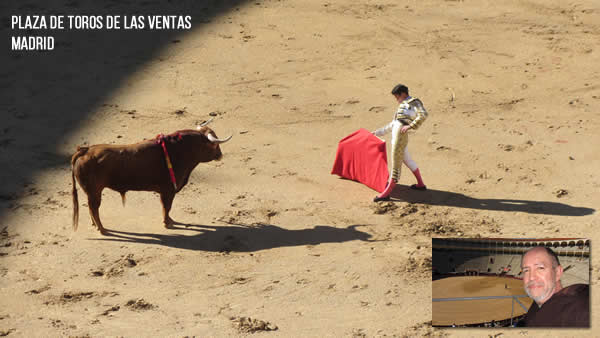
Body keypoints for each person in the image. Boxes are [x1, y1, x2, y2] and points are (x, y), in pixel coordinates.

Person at [372, 84, 428, 202]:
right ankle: (421, 185)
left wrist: (411, 126)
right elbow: (392, 125)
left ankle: (386, 194)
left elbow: (423, 114)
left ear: (403, 94)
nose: (397, 100)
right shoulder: (402, 107)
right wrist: (376, 133)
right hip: (397, 136)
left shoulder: (414, 102)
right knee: (407, 160)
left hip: (399, 138)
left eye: (397, 97)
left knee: (396, 164)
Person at [520, 246, 589, 327]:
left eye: (540, 268)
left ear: (558, 272)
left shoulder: (581, 310)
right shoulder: (537, 304)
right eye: (526, 270)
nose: (531, 277)